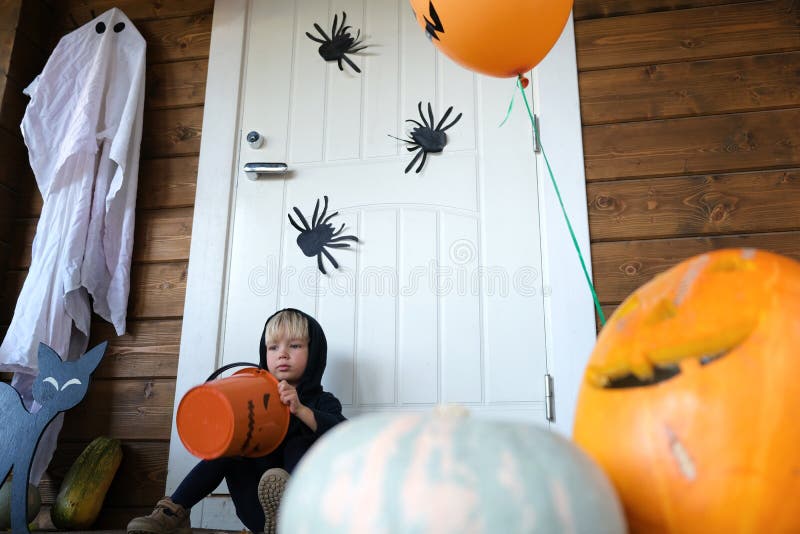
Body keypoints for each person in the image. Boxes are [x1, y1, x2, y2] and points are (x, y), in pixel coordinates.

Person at [127, 308, 346, 534]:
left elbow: (344, 433)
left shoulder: (323, 402)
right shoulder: (255, 396)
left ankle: (291, 509)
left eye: (295, 346)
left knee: (297, 444)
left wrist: (301, 410)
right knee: (228, 451)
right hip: (256, 508)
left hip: (307, 513)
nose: (282, 354)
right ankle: (173, 511)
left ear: (315, 352)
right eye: (273, 347)